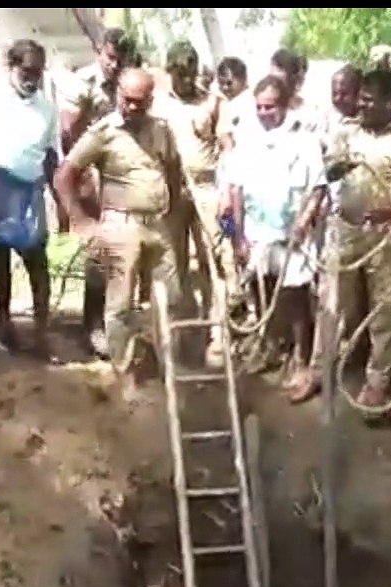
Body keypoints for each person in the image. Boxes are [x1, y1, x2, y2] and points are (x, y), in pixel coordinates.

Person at [296, 64, 391, 407]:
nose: (361, 105)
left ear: (390, 101)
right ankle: (318, 371)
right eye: (361, 98)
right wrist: (336, 167)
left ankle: (378, 380)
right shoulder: (345, 133)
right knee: (332, 302)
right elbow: (327, 172)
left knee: (385, 308)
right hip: (345, 229)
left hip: (389, 233)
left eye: (370, 100)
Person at [55, 68, 184, 398]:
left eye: (139, 102)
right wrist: (81, 222)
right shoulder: (103, 131)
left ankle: (165, 364)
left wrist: (169, 205)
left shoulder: (161, 129)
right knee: (120, 305)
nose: (132, 108)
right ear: (117, 97)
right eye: (126, 100)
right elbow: (65, 175)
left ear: (150, 101)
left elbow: (172, 168)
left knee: (170, 298)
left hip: (157, 223)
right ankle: (124, 373)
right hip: (120, 224)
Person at [225, 75, 325, 389]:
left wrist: (304, 220)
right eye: (260, 107)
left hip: (291, 233)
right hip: (258, 231)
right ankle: (269, 348)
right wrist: (239, 236)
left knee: (295, 297)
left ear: (283, 105)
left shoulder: (303, 138)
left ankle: (300, 358)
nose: (264, 113)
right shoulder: (247, 137)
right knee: (260, 290)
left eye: (270, 107)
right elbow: (236, 188)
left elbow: (318, 187)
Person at [0, 39, 59, 359]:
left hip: (29, 189)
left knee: (37, 261)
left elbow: (49, 155)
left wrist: (55, 195)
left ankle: (42, 333)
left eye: (38, 72)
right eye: (27, 70)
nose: (33, 78)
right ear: (12, 66)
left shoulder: (46, 106)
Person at [61, 27, 139, 359]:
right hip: (91, 173)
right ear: (99, 52)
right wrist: (83, 177)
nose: (114, 65)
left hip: (123, 177)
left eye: (120, 60)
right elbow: (68, 131)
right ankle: (92, 324)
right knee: (98, 252)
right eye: (110, 57)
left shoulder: (130, 84)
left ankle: (115, 321)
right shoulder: (84, 84)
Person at [156, 40, 224, 364]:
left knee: (217, 259)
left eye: (190, 73)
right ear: (170, 71)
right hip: (169, 188)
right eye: (179, 73)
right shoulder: (157, 104)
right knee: (173, 263)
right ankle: (180, 335)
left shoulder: (212, 102)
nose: (185, 79)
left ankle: (218, 336)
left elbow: (227, 145)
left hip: (206, 186)